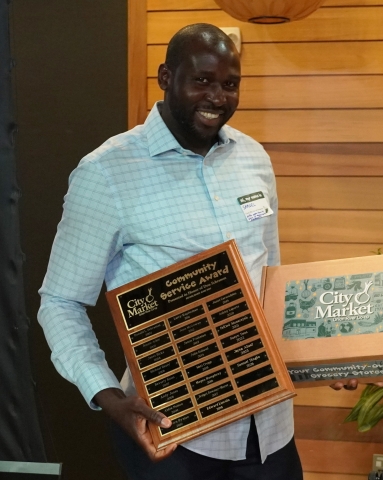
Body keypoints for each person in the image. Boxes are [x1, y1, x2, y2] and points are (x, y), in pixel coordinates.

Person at [38, 23, 315, 480]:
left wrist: (323, 357)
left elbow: (269, 281)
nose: (217, 97)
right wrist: (109, 397)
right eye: (202, 81)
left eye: (229, 85)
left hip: (269, 429)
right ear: (166, 77)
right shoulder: (106, 173)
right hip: (175, 434)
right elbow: (60, 303)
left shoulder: (254, 159)